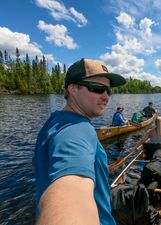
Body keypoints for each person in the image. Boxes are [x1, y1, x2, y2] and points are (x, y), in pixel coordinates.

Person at [33, 58, 126, 225]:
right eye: (97, 88)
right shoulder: (77, 129)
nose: (106, 97)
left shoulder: (54, 122)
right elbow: (70, 190)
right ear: (73, 89)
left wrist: (101, 168)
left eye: (108, 90)